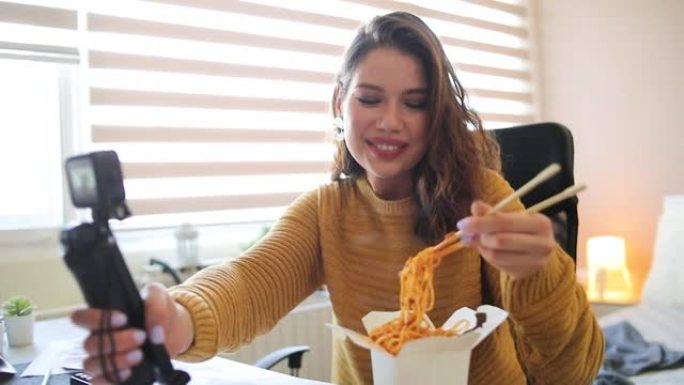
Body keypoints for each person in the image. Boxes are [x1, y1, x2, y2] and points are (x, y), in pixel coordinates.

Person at [71, 11, 603, 385]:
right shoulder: (328, 211)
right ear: (339, 101)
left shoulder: (483, 199)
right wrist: (175, 318)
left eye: (414, 104)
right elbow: (246, 283)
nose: (390, 121)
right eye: (370, 98)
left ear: (435, 114)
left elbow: (573, 372)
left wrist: (541, 273)